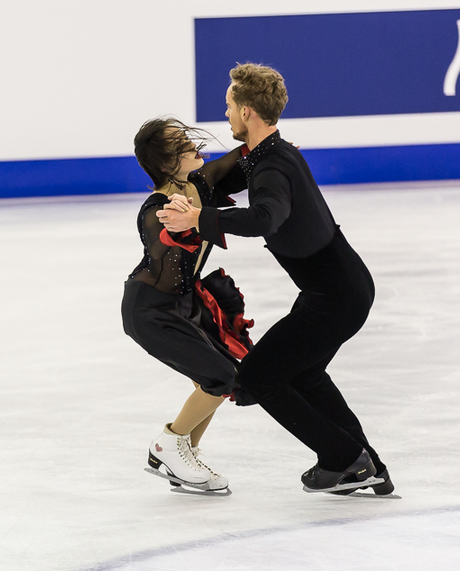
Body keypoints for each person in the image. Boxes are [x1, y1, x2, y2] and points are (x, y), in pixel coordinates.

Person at [157, 64, 394, 496]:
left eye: (229, 106)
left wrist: (197, 218)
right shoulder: (268, 154)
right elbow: (229, 175)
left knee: (258, 378)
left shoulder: (270, 167)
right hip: (338, 288)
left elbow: (266, 217)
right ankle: (365, 463)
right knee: (302, 375)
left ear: (247, 112)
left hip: (334, 295)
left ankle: (344, 461)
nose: (225, 114)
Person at [122, 117, 254, 494]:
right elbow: (158, 240)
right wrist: (175, 229)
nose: (191, 143)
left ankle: (184, 455)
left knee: (217, 377)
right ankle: (169, 444)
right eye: (179, 143)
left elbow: (240, 160)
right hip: (150, 311)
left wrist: (278, 155)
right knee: (219, 378)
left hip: (183, 304)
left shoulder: (200, 182)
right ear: (165, 164)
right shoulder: (157, 208)